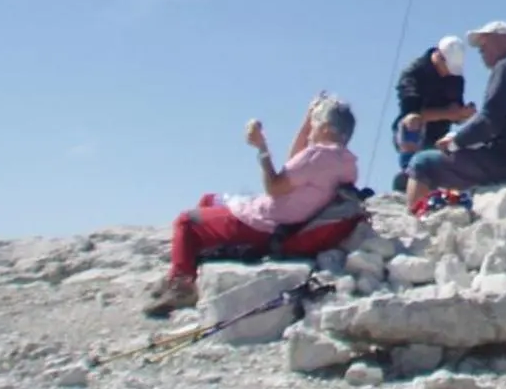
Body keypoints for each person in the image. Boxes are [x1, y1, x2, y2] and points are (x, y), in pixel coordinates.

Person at [143, 93, 358, 317]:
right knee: (208, 200)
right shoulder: (346, 163)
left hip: (265, 224)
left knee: (186, 221)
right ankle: (187, 267)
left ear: (325, 128)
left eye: (314, 123)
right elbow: (294, 163)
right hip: (288, 221)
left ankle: (182, 286)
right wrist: (307, 121)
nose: (311, 128)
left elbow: (274, 186)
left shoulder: (317, 156)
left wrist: (262, 149)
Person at [403, 21, 506, 200]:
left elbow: (489, 122)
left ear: (504, 40)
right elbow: (504, 125)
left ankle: (416, 221)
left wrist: (455, 142)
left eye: (484, 42)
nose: (480, 50)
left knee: (422, 163)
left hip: (504, 163)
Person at [393, 35, 474, 190]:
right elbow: (412, 111)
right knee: (412, 121)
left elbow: (455, 110)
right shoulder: (414, 73)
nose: (448, 73)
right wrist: (449, 114)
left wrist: (464, 115)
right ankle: (408, 171)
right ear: (437, 55)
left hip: (439, 135)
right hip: (413, 135)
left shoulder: (455, 79)